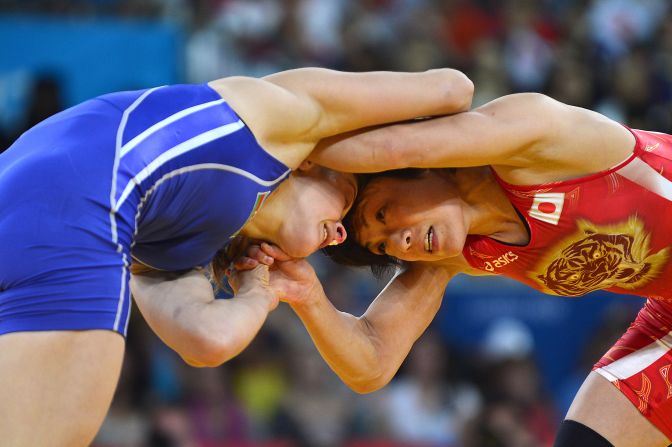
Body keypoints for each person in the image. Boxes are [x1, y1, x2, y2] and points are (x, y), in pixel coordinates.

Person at [0, 67, 474, 446]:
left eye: (339, 242)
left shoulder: (183, 250)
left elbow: (209, 340)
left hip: (29, 195)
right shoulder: (279, 120)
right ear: (318, 163)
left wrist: (256, 289)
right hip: (79, 197)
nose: (336, 234)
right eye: (349, 204)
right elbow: (452, 88)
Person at [236, 92, 672, 446]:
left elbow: (394, 142)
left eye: (385, 213)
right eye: (385, 245)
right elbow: (371, 363)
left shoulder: (527, 138)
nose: (401, 242)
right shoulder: (454, 252)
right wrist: (309, 298)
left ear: (414, 166)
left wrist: (275, 161)